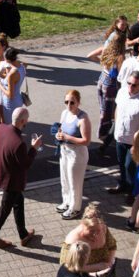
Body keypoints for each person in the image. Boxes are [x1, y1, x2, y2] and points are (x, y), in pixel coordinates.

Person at [0, 106, 43, 248]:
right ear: (23, 121)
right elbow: (26, 164)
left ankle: (23, 235)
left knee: (19, 201)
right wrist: (34, 148)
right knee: (5, 209)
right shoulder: (19, 143)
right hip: (11, 181)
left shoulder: (0, 128)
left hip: (1, 171)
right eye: (27, 120)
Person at [106, 72, 139, 195]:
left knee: (130, 167)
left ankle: (132, 192)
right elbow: (117, 109)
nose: (130, 87)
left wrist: (137, 143)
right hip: (120, 136)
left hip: (134, 141)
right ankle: (123, 185)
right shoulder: (122, 92)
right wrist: (116, 125)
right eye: (129, 83)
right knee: (121, 163)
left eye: (134, 85)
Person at [55, 89, 92, 220]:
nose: (69, 105)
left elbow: (86, 141)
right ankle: (66, 202)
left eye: (72, 102)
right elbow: (60, 128)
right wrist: (58, 134)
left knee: (74, 182)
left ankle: (75, 208)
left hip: (77, 154)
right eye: (66, 102)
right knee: (64, 179)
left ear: (78, 102)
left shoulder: (83, 118)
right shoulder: (64, 113)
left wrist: (67, 137)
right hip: (64, 151)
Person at [88, 31, 125, 155]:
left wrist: (103, 63)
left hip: (102, 79)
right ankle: (105, 134)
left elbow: (90, 56)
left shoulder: (106, 50)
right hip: (111, 84)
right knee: (109, 111)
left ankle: (102, 132)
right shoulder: (119, 56)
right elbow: (121, 74)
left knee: (103, 108)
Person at [0, 47, 28, 125]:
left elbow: (10, 95)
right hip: (18, 100)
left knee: (10, 126)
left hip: (10, 103)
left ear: (7, 60)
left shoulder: (12, 74)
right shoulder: (21, 66)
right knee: (16, 126)